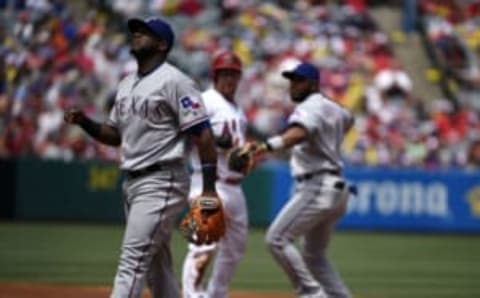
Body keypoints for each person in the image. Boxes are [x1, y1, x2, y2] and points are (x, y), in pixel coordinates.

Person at [64, 17, 219, 298]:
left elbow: (204, 136)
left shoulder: (176, 81)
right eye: (135, 31)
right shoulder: (126, 84)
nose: (136, 34)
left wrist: (208, 190)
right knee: (156, 268)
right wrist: (85, 122)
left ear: (162, 44)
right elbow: (114, 135)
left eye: (145, 32)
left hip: (162, 179)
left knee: (132, 260)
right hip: (134, 182)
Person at [253, 62, 354, 298]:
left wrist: (266, 146)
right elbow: (349, 120)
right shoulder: (333, 108)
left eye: (299, 81)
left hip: (317, 184)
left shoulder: (309, 107)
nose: (293, 86)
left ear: (313, 84)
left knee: (276, 239)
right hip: (336, 187)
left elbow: (299, 133)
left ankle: (311, 293)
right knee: (314, 256)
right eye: (292, 80)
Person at [181, 51, 249, 298]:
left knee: (235, 249)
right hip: (208, 182)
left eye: (234, 74)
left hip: (235, 187)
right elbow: (186, 129)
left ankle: (216, 293)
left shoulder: (238, 109)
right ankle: (190, 294)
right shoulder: (205, 100)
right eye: (225, 74)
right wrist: (215, 140)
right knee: (203, 246)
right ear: (215, 75)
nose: (230, 78)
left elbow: (236, 147)